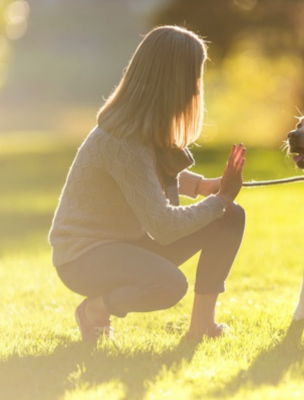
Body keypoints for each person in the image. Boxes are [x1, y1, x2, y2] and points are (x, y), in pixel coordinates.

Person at [48, 25, 246, 342]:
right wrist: (218, 201)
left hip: (125, 242)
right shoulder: (122, 141)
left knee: (230, 217)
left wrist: (204, 188)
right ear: (176, 81)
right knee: (169, 285)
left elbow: (142, 178)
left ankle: (201, 328)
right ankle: (95, 310)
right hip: (83, 257)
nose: (197, 88)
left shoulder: (143, 131)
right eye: (195, 76)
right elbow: (163, 225)